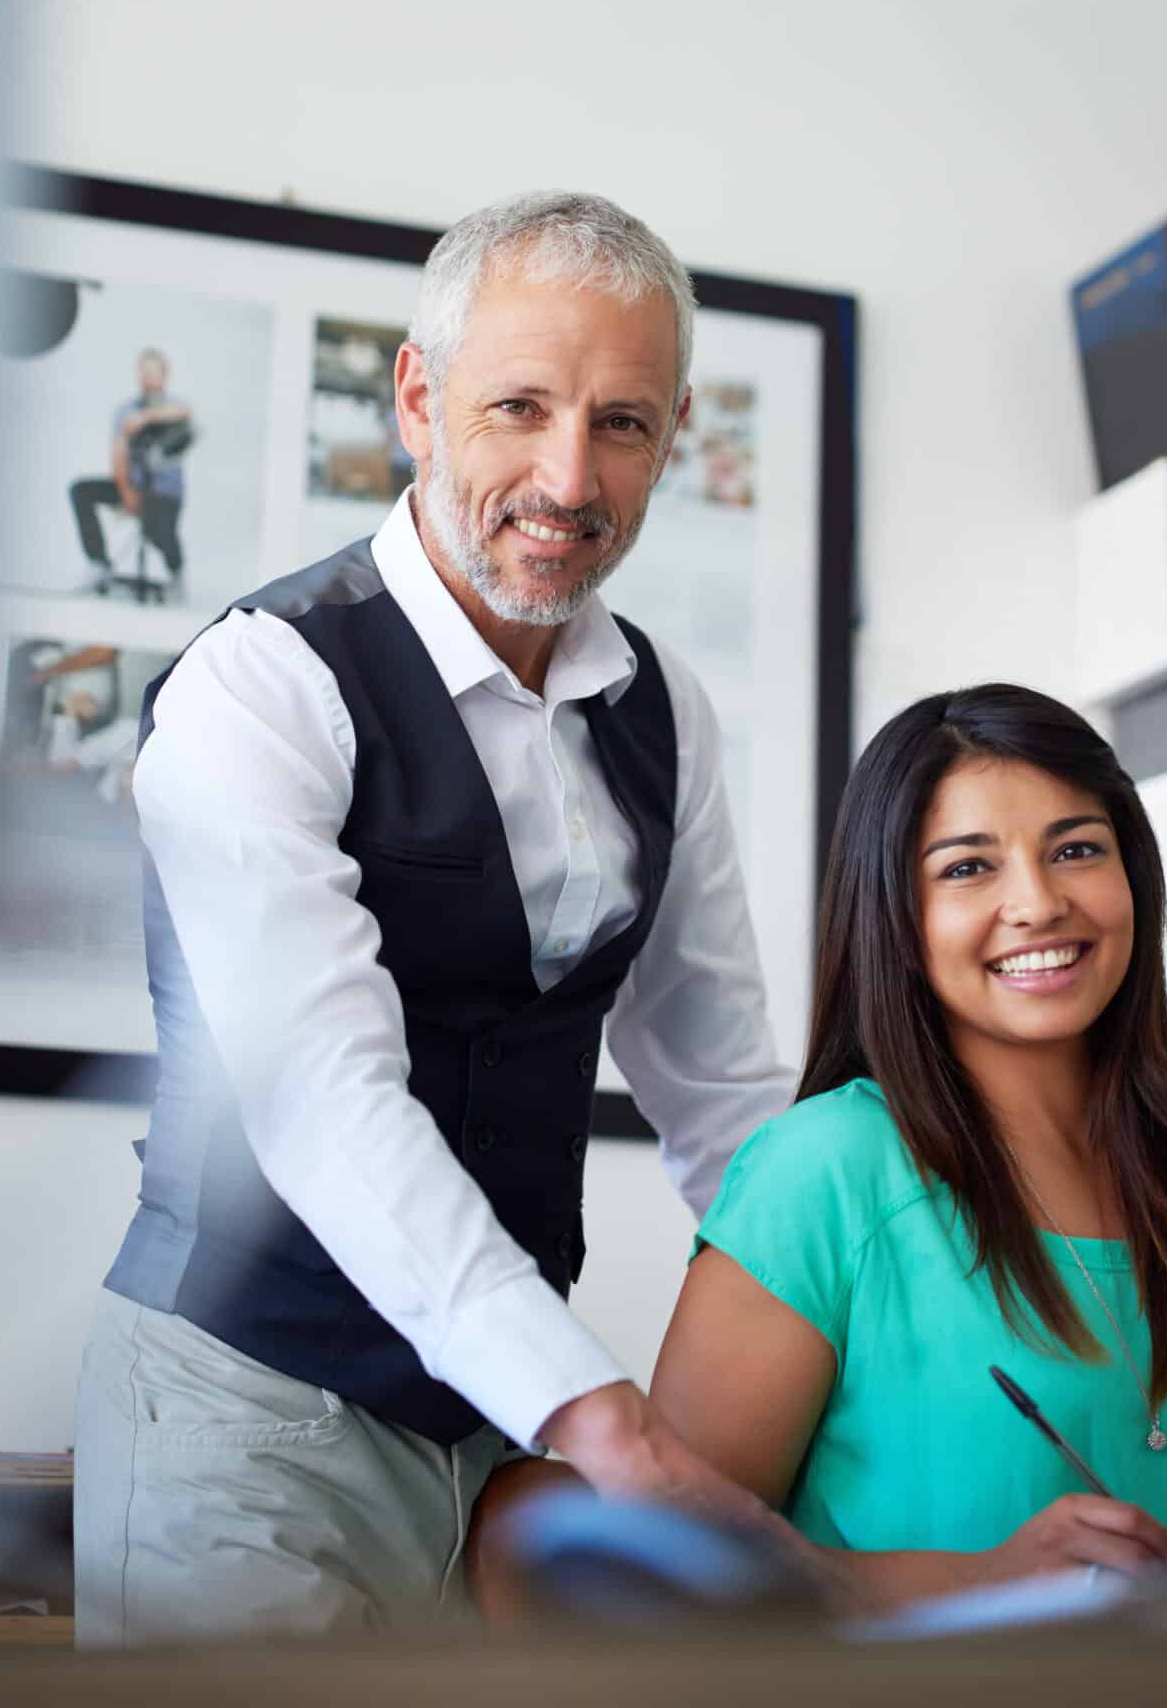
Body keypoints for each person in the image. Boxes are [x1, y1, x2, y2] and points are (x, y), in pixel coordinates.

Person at [72, 192, 795, 1643]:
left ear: (674, 437)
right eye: (517, 407)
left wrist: (881, 1325)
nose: (566, 476)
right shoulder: (260, 689)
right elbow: (326, 1098)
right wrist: (598, 1414)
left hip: (499, 1450)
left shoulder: (668, 712)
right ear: (416, 395)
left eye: (624, 424)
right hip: (248, 1412)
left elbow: (721, 1095)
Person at [646, 684, 1167, 1601]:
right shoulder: (822, 1171)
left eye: (1076, 850)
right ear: (893, 912)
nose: (1038, 904)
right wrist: (978, 1581)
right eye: (967, 868)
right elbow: (662, 1569)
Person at [69, 348, 192, 596]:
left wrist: (144, 417)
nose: (148, 378)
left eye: (154, 372)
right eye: (144, 372)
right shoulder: (125, 411)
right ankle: (98, 563)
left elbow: (184, 412)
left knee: (159, 531)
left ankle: (177, 573)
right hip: (134, 485)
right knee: (81, 491)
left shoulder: (175, 408)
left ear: (165, 375)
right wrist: (126, 492)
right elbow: (118, 454)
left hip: (164, 494)